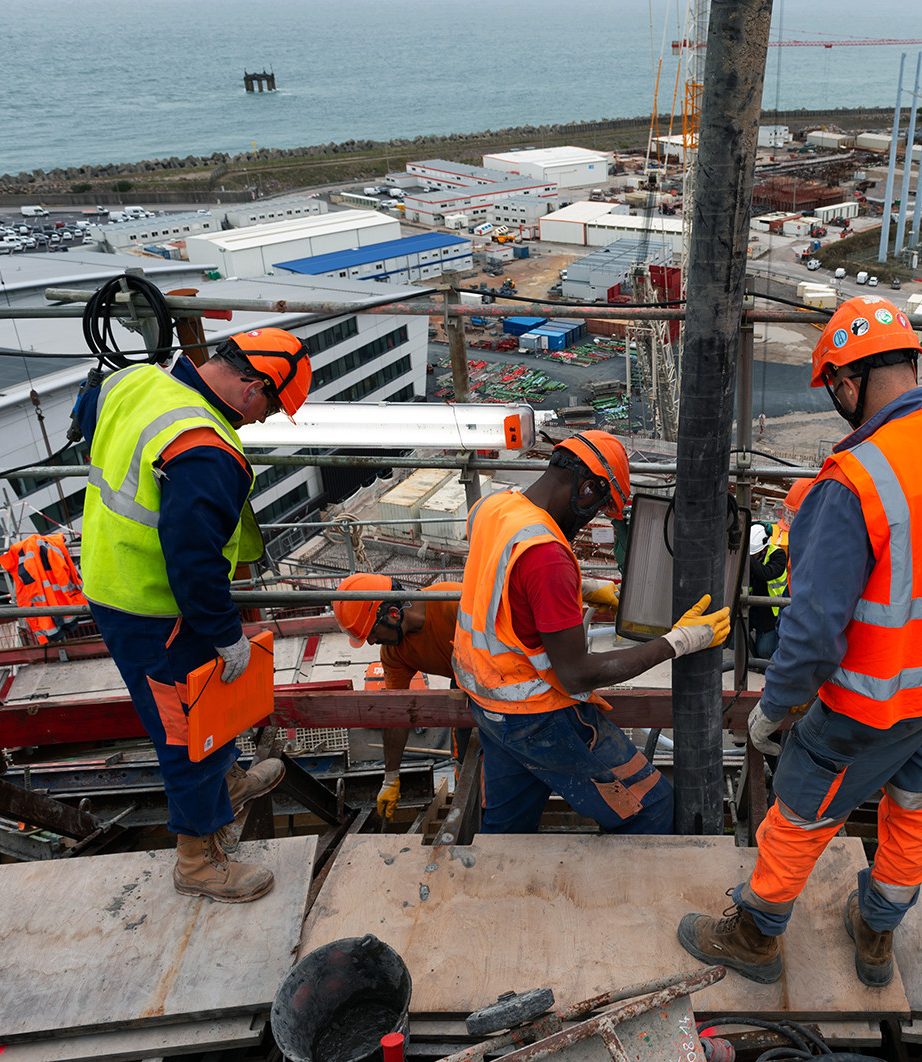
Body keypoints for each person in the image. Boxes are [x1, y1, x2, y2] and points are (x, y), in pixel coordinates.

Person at [678, 296, 922, 987]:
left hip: (870, 700)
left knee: (803, 801)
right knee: (911, 802)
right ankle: (875, 935)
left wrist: (772, 708)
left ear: (847, 380)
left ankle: (754, 936)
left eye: (834, 387)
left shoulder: (855, 480)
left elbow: (812, 636)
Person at [77, 328, 312, 903]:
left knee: (208, 705)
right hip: (157, 608)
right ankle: (198, 859)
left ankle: (225, 781)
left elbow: (88, 416)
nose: (261, 421)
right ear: (251, 385)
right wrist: (224, 633)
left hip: (114, 579)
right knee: (186, 731)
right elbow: (194, 560)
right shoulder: (205, 448)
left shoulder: (136, 381)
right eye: (270, 407)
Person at [452, 430, 730, 835]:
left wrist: (581, 589)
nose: (587, 522)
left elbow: (503, 580)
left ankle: (494, 888)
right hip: (538, 720)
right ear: (587, 488)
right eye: (597, 508)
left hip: (489, 705)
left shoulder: (492, 508)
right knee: (650, 808)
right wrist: (679, 641)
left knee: (507, 828)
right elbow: (577, 674)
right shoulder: (547, 555)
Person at [332, 573, 463, 821]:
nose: (371, 641)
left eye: (372, 631)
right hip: (463, 677)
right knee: (465, 749)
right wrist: (390, 777)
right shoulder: (394, 652)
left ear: (393, 613)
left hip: (505, 674)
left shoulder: (453, 603)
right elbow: (397, 711)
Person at [745, 522, 788, 664]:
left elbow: (766, 573)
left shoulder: (778, 555)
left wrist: (746, 557)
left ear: (764, 549)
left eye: (753, 553)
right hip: (752, 607)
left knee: (765, 651)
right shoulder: (753, 558)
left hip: (771, 611)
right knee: (732, 640)